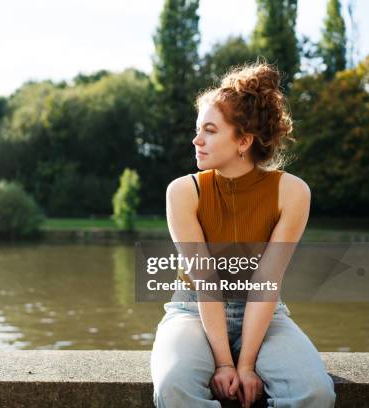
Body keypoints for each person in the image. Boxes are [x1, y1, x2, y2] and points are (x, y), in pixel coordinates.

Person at [150, 63, 336, 408]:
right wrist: (224, 363)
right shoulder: (183, 191)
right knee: (174, 388)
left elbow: (267, 280)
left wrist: (246, 364)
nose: (196, 140)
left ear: (243, 141)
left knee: (315, 392)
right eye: (197, 129)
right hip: (192, 311)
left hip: (265, 313)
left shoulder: (292, 192)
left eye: (209, 130)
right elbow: (205, 281)